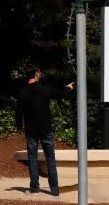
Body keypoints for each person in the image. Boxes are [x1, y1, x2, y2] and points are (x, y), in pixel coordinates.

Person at [15, 65, 73, 196]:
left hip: (31, 129)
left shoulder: (23, 91)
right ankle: (54, 188)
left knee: (32, 157)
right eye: (39, 72)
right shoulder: (44, 89)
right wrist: (69, 88)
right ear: (36, 73)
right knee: (50, 157)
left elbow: (18, 111)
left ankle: (34, 188)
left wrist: (19, 127)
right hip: (46, 128)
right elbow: (62, 93)